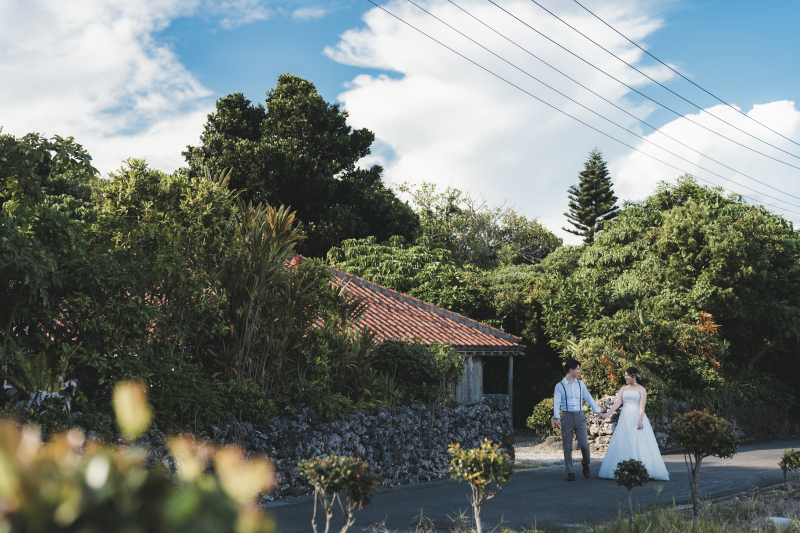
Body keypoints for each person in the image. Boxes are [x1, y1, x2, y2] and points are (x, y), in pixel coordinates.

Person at [598, 367, 670, 481]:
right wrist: (607, 414)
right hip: (625, 417)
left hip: (637, 417)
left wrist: (640, 420)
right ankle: (622, 469)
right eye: (625, 375)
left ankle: (643, 470)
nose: (625, 377)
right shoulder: (623, 389)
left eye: (627, 375)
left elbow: (642, 406)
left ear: (634, 376)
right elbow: (618, 403)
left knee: (639, 441)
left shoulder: (641, 389)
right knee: (624, 440)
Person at [553, 358, 609, 481]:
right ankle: (570, 471)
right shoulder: (560, 386)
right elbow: (556, 402)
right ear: (570, 370)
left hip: (580, 416)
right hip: (566, 416)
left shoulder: (580, 384)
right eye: (577, 369)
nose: (579, 371)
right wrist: (557, 418)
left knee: (584, 445)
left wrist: (599, 412)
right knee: (567, 446)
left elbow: (589, 398)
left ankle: (585, 462)